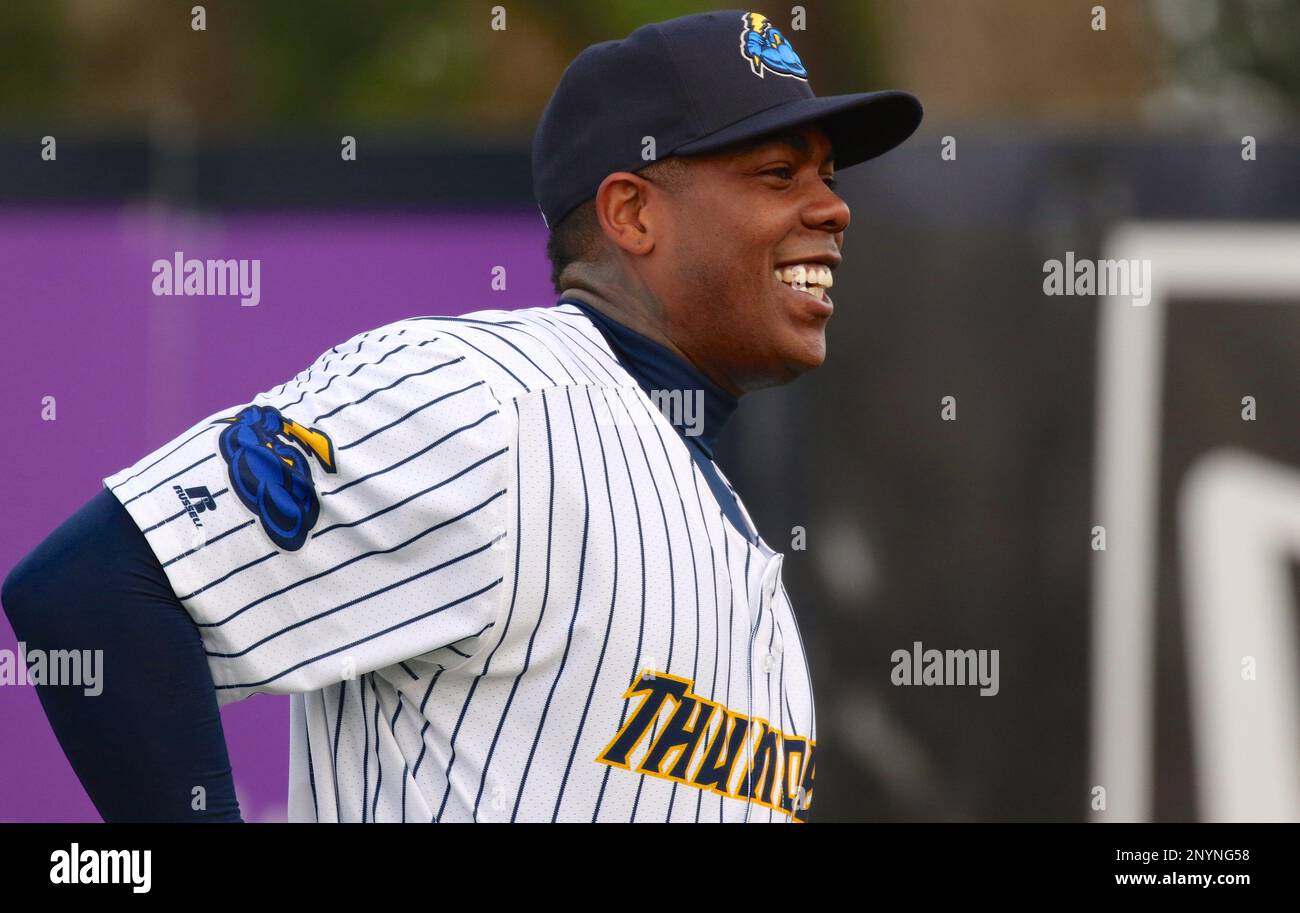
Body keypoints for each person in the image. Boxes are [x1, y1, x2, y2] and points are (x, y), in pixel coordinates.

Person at [2, 9, 921, 823]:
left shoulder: (715, 511)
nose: (833, 207)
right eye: (776, 172)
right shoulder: (491, 400)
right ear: (633, 213)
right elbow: (88, 588)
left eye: (827, 175)